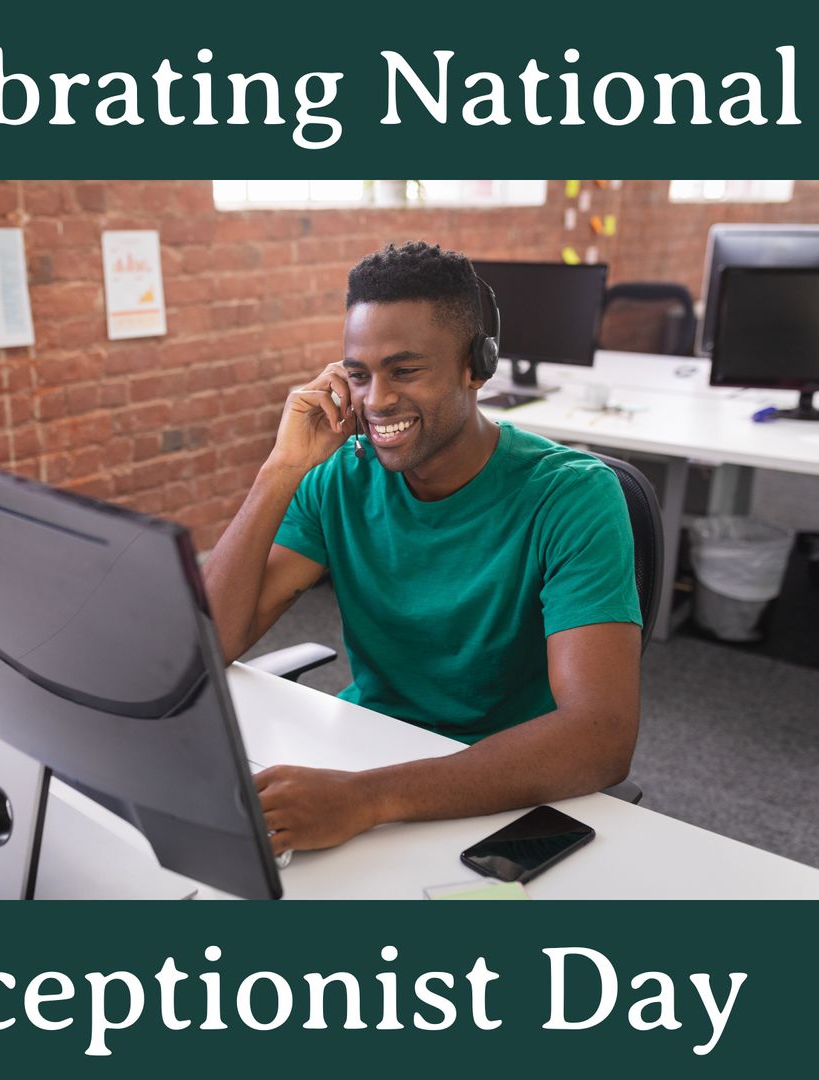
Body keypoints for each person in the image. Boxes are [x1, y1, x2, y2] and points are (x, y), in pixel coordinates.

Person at [202, 241, 641, 857]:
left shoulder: (571, 496)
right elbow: (209, 640)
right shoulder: (338, 478)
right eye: (358, 374)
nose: (375, 400)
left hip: (504, 783)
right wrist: (281, 469)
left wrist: (367, 799)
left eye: (404, 371)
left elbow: (600, 738)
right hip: (366, 749)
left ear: (476, 367)